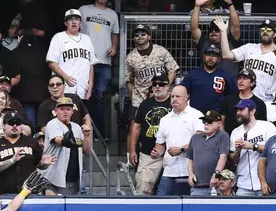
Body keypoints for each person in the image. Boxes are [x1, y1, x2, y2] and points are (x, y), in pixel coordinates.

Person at [215, 16, 276, 103]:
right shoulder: (249, 48)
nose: (265, 32)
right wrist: (223, 32)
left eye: (269, 30)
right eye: (262, 30)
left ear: (275, 34)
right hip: (245, 99)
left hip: (267, 101)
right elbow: (226, 55)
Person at [78, 0, 119, 139]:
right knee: (83, 94)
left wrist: (114, 47)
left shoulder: (112, 14)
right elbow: (74, 30)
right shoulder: (83, 10)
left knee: (100, 97)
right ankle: (80, 130)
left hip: (104, 61)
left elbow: (115, 34)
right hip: (84, 61)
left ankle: (98, 133)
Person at [153, 85, 204, 196]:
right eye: (172, 96)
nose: (174, 99)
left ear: (186, 98)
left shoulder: (197, 116)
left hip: (190, 171)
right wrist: (156, 153)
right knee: (161, 203)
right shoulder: (164, 120)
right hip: (169, 170)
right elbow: (160, 146)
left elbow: (200, 141)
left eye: (178, 96)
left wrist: (181, 149)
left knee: (189, 205)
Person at [0, 111, 54, 194]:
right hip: (4, 194)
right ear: (3, 126)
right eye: (11, 123)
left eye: (17, 123)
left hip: (29, 194)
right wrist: (11, 161)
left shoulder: (31, 142)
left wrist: (44, 163)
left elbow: (39, 165)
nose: (14, 126)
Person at [128, 73, 172, 195]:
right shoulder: (145, 104)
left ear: (168, 86)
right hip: (148, 153)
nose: (157, 87)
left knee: (169, 191)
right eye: (154, 84)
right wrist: (132, 150)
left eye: (161, 84)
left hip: (172, 154)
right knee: (143, 187)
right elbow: (136, 128)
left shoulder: (174, 104)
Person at [41, 97, 92, 195]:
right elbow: (58, 141)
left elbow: (87, 150)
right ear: (56, 111)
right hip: (53, 177)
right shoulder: (52, 124)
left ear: (72, 111)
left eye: (68, 109)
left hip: (72, 178)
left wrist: (87, 136)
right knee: (54, 208)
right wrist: (67, 140)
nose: (65, 112)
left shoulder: (76, 127)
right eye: (62, 109)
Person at [229, 99, 276, 195]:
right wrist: (238, 151)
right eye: (237, 110)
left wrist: (253, 146)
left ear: (253, 111)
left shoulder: (267, 126)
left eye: (242, 109)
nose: (238, 113)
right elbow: (233, 160)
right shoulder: (235, 132)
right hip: (243, 184)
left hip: (265, 182)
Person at [124, 24, 179, 111]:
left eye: (143, 34)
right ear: (133, 38)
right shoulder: (130, 57)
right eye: (136, 35)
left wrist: (163, 86)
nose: (140, 36)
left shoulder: (160, 51)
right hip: (140, 100)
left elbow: (172, 70)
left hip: (161, 98)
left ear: (149, 36)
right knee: (136, 123)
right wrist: (133, 99)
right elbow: (129, 81)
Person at [46, 9, 96, 101]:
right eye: (70, 19)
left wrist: (91, 83)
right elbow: (51, 62)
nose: (73, 22)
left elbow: (91, 63)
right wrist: (66, 77)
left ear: (80, 23)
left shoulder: (87, 39)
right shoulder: (58, 37)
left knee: (81, 114)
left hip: (82, 88)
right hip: (64, 88)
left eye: (76, 19)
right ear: (66, 23)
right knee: (65, 113)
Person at [180, 44, 236, 113]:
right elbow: (180, 92)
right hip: (195, 117)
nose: (211, 58)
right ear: (203, 57)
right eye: (208, 54)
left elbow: (234, 97)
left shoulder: (226, 76)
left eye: (214, 55)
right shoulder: (192, 74)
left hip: (216, 118)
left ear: (219, 59)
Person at [191, 0, 241, 76]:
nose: (213, 32)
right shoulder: (204, 42)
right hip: (208, 84)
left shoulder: (230, 41)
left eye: (217, 29)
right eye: (211, 30)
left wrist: (230, 4)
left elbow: (236, 26)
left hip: (229, 85)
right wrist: (197, 6)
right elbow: (194, 28)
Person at [186, 110, 230, 196]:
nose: (206, 123)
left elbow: (223, 157)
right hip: (197, 185)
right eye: (204, 121)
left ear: (218, 123)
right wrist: (190, 174)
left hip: (216, 186)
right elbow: (190, 159)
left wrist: (216, 175)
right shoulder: (195, 138)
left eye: (209, 121)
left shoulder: (223, 136)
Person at [220, 68, 267, 137]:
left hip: (252, 140)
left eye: (245, 78)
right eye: (239, 78)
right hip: (230, 139)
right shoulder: (228, 100)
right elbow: (221, 123)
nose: (241, 81)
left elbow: (262, 127)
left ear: (252, 83)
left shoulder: (259, 104)